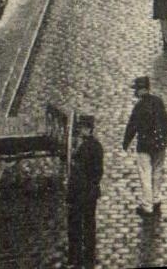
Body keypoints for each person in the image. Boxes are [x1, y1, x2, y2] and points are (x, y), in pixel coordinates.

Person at [122, 75, 167, 219]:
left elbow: (132, 126)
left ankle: (147, 206)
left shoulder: (139, 106)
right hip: (160, 145)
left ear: (140, 90)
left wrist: (126, 142)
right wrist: (164, 140)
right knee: (157, 172)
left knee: (145, 175)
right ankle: (156, 199)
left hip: (144, 146)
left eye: (136, 90)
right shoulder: (158, 101)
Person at [66, 115, 103, 268]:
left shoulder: (85, 148)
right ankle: (88, 253)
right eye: (81, 127)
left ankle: (76, 257)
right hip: (90, 190)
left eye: (84, 127)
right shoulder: (96, 146)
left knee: (76, 223)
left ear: (89, 129)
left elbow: (80, 173)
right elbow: (99, 171)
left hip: (81, 191)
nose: (82, 130)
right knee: (88, 222)